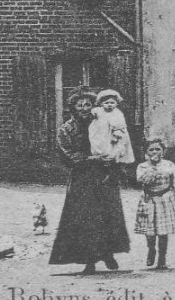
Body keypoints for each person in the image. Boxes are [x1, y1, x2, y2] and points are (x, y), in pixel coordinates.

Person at [49, 92, 131, 275]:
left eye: (87, 104)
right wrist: (89, 159)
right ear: (73, 108)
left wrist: (113, 156)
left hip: (105, 174)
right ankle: (89, 260)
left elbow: (118, 139)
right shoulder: (67, 129)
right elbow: (67, 154)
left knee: (109, 214)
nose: (84, 109)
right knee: (85, 218)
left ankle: (108, 252)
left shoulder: (103, 120)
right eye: (80, 105)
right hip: (83, 177)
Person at [134, 138, 175, 270]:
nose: (155, 152)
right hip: (149, 199)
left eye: (158, 149)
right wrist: (153, 167)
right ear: (146, 152)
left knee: (164, 231)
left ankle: (162, 259)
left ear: (163, 151)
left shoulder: (169, 165)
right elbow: (143, 180)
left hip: (165, 199)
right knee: (150, 231)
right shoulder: (142, 167)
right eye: (151, 149)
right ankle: (151, 250)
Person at [88, 88, 135, 169]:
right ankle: (101, 155)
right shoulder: (99, 111)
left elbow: (120, 125)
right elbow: (93, 111)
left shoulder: (117, 113)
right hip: (101, 132)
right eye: (106, 103)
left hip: (114, 133)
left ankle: (112, 158)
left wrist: (117, 133)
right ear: (101, 104)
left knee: (114, 147)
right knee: (100, 143)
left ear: (116, 103)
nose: (109, 105)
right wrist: (94, 113)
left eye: (112, 103)